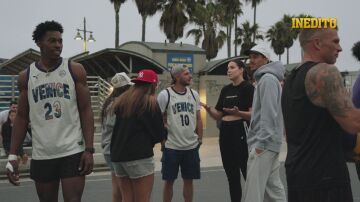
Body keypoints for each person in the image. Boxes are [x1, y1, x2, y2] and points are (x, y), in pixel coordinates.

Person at [6, 20, 94, 202]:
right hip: (43, 152)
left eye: (60, 41)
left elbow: (86, 110)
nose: (58, 45)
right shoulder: (26, 76)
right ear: (39, 43)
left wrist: (89, 149)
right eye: (52, 41)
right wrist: (13, 155)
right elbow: (21, 118)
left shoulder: (74, 70)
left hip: (72, 150)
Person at [282, 28, 357, 202]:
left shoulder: (290, 79)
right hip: (326, 179)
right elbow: (352, 122)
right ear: (317, 43)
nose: (340, 49)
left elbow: (288, 133)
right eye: (335, 42)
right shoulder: (325, 71)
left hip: (297, 174)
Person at [201, 59, 254, 202]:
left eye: (232, 67)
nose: (229, 70)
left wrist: (238, 113)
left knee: (247, 172)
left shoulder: (248, 88)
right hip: (225, 133)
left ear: (241, 69)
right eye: (227, 68)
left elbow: (253, 114)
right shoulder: (226, 89)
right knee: (232, 175)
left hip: (241, 131)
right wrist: (208, 109)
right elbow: (219, 114)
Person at [111, 69, 165, 202]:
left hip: (118, 156)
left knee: (127, 198)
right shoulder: (149, 102)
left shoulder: (123, 101)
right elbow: (159, 134)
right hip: (139, 156)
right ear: (153, 85)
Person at [242, 44, 287, 202]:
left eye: (256, 57)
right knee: (273, 190)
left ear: (266, 59)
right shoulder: (268, 79)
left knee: (253, 191)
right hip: (270, 143)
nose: (251, 60)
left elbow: (269, 114)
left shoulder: (267, 79)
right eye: (251, 57)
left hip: (264, 144)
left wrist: (260, 144)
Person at [157, 65, 203, 202]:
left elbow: (199, 118)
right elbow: (158, 119)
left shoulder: (194, 94)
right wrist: (162, 141)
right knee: (169, 181)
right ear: (177, 77)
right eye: (186, 74)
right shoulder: (165, 94)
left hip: (191, 146)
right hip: (172, 147)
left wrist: (200, 139)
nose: (190, 76)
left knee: (189, 181)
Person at [101, 72, 133, 202]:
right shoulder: (119, 105)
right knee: (125, 188)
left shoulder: (109, 103)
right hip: (116, 150)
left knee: (117, 185)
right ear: (125, 89)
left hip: (109, 149)